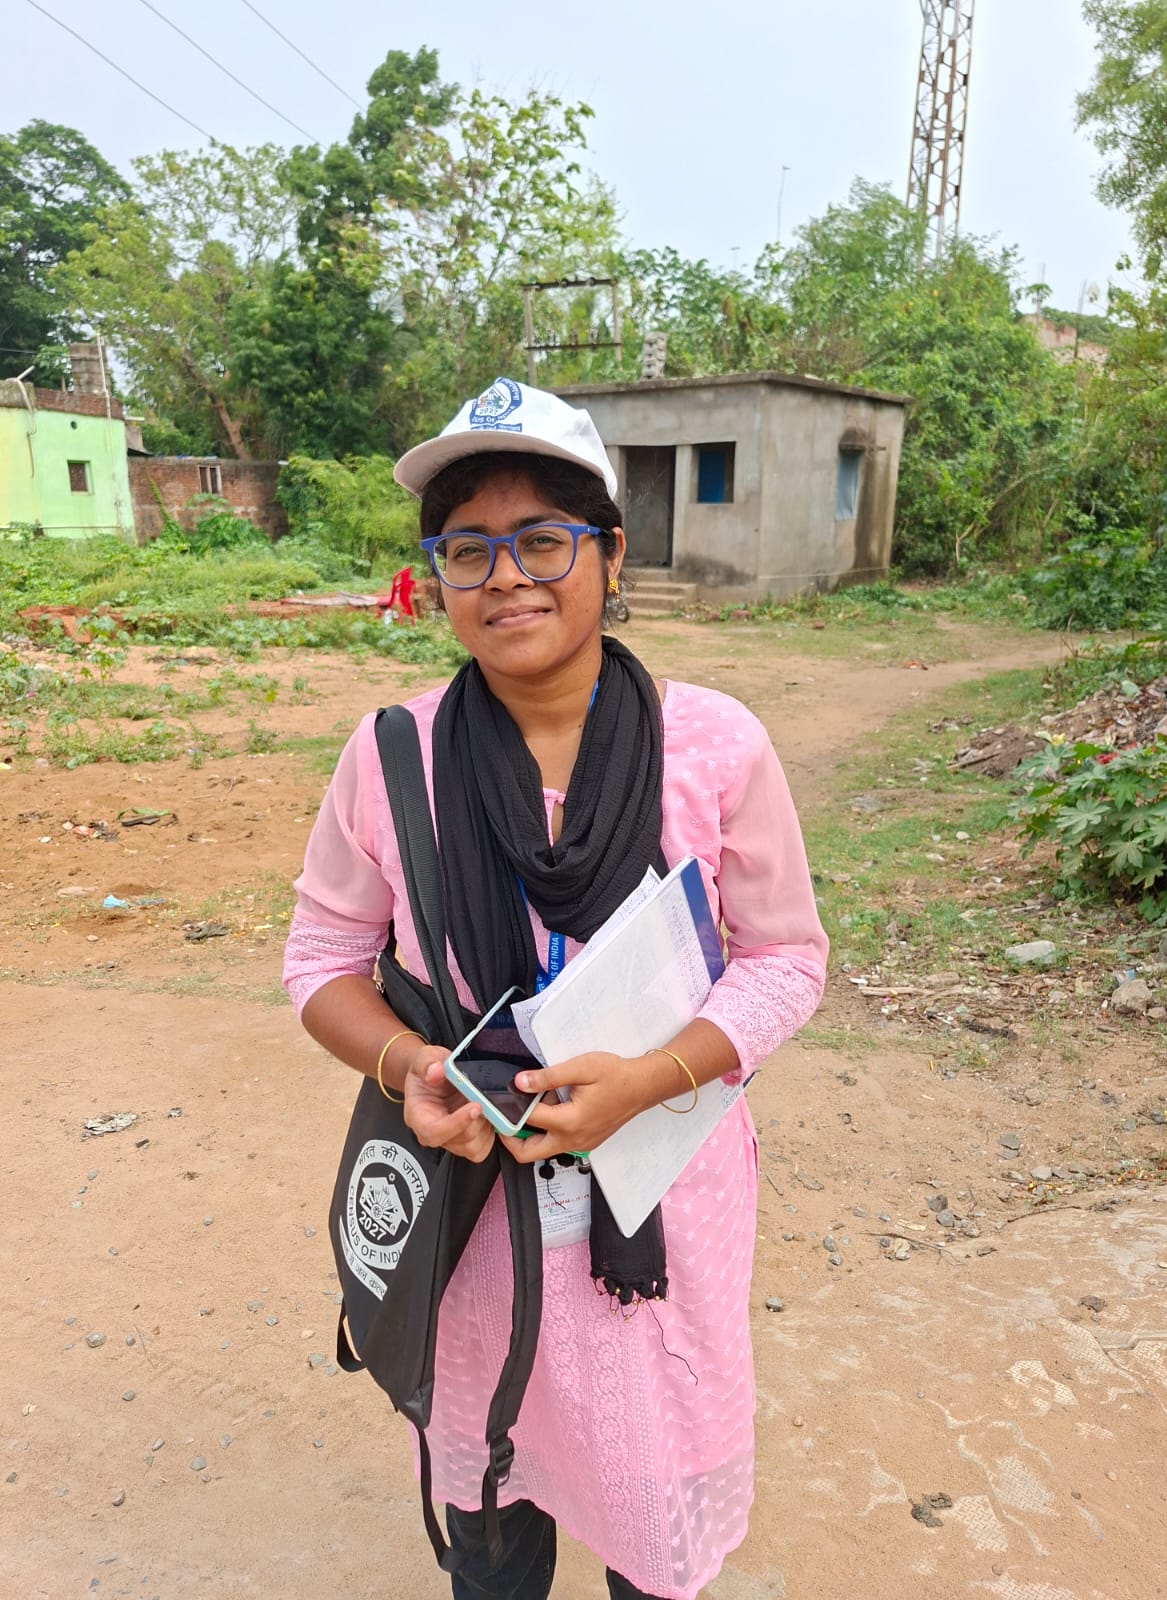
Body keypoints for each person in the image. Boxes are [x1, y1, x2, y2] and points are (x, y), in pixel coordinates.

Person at [282, 377, 828, 1600]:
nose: (507, 577)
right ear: (436, 575)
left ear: (610, 553)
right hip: (473, 1212)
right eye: (468, 548)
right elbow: (320, 965)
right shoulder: (390, 760)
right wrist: (411, 1066)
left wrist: (652, 1077)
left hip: (661, 1210)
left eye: (543, 539)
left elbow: (788, 957)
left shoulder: (716, 746)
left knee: (654, 1523)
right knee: (490, 1515)